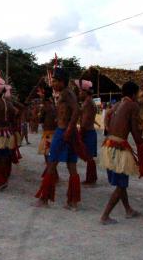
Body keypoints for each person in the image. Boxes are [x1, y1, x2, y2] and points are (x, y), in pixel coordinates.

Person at [99, 81, 143, 225]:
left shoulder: (117, 104)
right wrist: (141, 143)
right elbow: (134, 131)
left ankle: (128, 210)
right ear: (133, 94)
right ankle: (105, 216)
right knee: (121, 185)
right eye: (138, 93)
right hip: (119, 147)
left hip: (108, 145)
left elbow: (108, 120)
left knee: (121, 183)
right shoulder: (133, 105)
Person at [35, 68, 82, 210]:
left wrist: (67, 129)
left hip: (63, 132)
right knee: (71, 165)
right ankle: (72, 202)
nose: (53, 83)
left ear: (62, 81)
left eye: (55, 81)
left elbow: (76, 110)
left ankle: (44, 199)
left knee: (52, 162)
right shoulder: (66, 93)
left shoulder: (67, 93)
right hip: (68, 131)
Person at [76, 79, 98, 185]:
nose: (79, 94)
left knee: (89, 157)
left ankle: (91, 178)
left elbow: (85, 120)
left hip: (88, 132)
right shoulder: (88, 102)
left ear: (85, 92)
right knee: (89, 157)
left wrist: (81, 133)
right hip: (89, 131)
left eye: (80, 92)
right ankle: (91, 177)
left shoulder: (88, 103)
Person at [38, 87, 58, 180]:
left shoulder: (45, 107)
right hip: (54, 133)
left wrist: (38, 115)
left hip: (48, 134)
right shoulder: (54, 106)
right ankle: (54, 174)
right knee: (51, 155)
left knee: (47, 155)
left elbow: (40, 120)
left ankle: (52, 176)